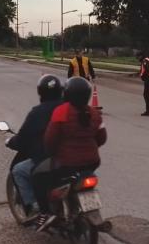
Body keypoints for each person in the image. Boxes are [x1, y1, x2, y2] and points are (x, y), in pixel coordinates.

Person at [31, 77, 107, 231]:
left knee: (37, 175)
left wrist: (51, 153)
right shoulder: (95, 113)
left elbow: (50, 140)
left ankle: (44, 213)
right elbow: (102, 138)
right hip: (92, 161)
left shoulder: (61, 112)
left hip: (66, 162)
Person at [6, 75, 64, 220]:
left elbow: (23, 137)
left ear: (40, 92)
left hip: (51, 159)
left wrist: (11, 142)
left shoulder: (38, 112)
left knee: (18, 170)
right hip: (73, 158)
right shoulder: (69, 108)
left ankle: (35, 208)